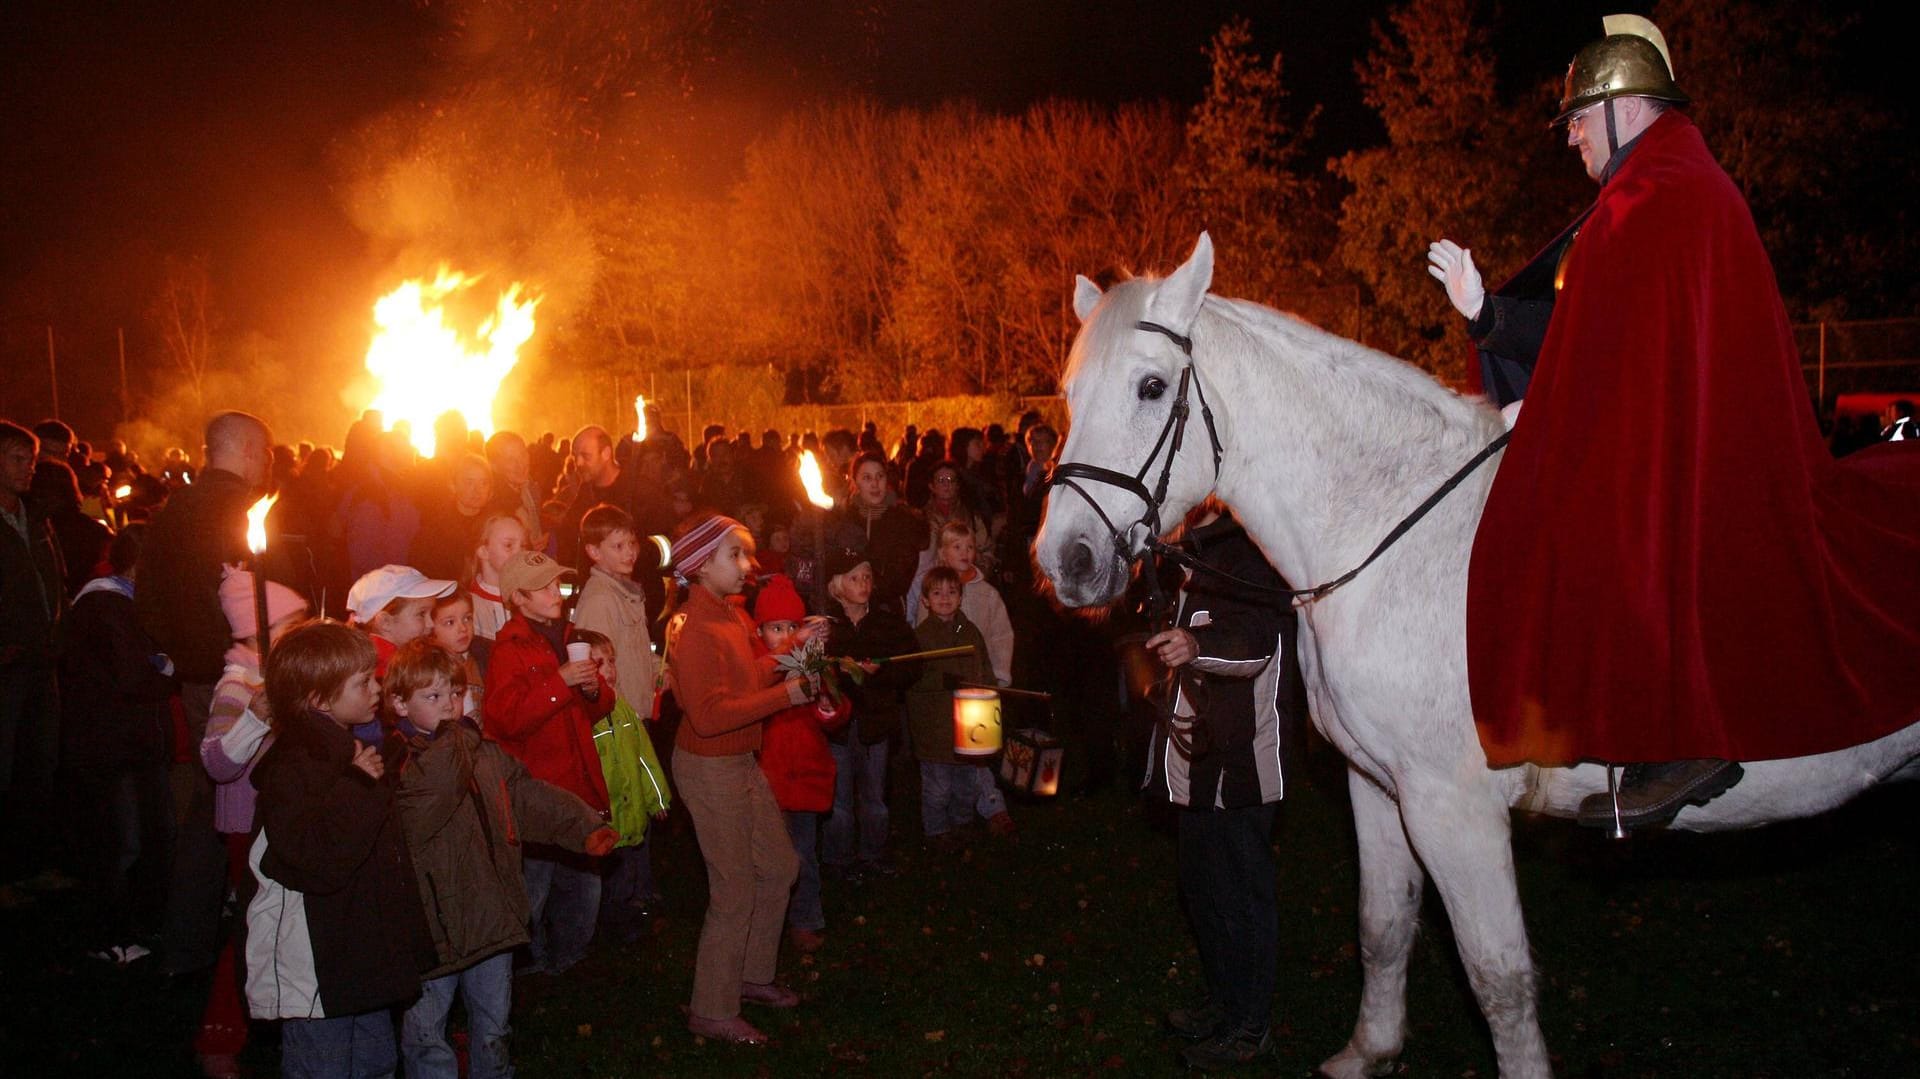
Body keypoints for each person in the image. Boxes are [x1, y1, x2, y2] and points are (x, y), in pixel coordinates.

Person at [1426, 14, 1920, 829]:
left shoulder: (1662, 199)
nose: (1572, 137)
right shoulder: (1647, 193)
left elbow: (1624, 362)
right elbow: (1591, 335)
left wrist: (1542, 410)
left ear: (1628, 107)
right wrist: (1485, 316)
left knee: (1632, 529)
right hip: (1678, 431)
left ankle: (1688, 732)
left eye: (1579, 119)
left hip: (1713, 454)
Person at [386, 640, 617, 1079]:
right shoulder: (399, 762)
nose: (449, 707)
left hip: (491, 915)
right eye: (431, 697)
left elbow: (526, 795)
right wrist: (454, 743)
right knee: (426, 1032)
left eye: (454, 694)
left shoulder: (480, 751)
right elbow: (422, 812)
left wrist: (581, 826)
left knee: (493, 1025)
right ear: (399, 702)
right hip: (434, 929)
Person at [1141, 503, 1296, 1070]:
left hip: (1242, 764)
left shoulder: (1250, 558)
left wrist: (1194, 646)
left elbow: (1257, 645)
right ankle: (1225, 1002)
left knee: (1241, 895)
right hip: (1195, 764)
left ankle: (1251, 1025)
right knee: (1201, 888)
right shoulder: (1185, 558)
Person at [243, 621, 434, 1077]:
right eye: (363, 681)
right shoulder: (294, 766)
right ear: (319, 699)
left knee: (375, 1062)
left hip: (361, 955)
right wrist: (360, 785)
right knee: (326, 1066)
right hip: (319, 966)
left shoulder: (354, 749)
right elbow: (317, 861)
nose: (377, 687)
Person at [663, 514, 808, 1045]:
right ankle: (712, 1007)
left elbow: (746, 675)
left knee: (778, 866)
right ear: (701, 566)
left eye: (748, 554)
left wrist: (793, 657)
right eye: (736, 556)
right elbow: (708, 715)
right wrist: (786, 696)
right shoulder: (696, 627)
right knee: (735, 885)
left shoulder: (729, 615)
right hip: (708, 766)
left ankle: (750, 975)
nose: (749, 567)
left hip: (739, 762)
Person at [135, 410, 269, 975]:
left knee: (210, 803)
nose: (268, 463)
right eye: (265, 452)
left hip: (195, 677)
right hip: (240, 679)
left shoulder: (171, 512)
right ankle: (245, 942)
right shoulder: (243, 514)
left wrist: (180, 658)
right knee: (241, 803)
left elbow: (146, 600)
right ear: (246, 450)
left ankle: (193, 940)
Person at [193, 566, 308, 1078]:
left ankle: (286, 1022)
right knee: (253, 931)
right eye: (291, 627)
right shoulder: (238, 686)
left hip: (280, 823)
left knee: (278, 928)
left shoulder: (283, 681)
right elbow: (218, 761)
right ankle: (221, 1035)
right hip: (247, 828)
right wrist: (258, 718)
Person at [484, 549, 615, 975]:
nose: (553, 592)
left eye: (555, 583)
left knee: (583, 884)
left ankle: (571, 962)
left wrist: (593, 690)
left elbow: (597, 707)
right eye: (541, 587)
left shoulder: (572, 636)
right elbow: (507, 719)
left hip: (578, 780)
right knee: (535, 885)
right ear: (518, 598)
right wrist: (560, 682)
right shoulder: (510, 650)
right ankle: (528, 964)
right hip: (539, 790)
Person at [59, 524, 175, 964]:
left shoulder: (123, 602)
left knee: (140, 836)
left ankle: (133, 926)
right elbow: (134, 676)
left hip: (126, 744)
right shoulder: (107, 603)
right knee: (119, 842)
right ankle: (107, 934)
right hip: (111, 747)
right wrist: (166, 670)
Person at [749, 574, 848, 953]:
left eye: (793, 627)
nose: (785, 634)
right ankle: (767, 922)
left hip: (804, 775)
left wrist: (828, 709)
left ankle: (805, 919)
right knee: (767, 858)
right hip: (767, 779)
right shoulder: (758, 666)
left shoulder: (814, 663)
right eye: (776, 628)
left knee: (803, 855)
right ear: (761, 630)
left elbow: (836, 707)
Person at [567, 628, 670, 942]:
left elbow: (645, 760)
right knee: (601, 881)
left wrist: (658, 799)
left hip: (630, 813)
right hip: (603, 819)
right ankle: (603, 928)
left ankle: (625, 922)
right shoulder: (580, 718)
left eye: (611, 661)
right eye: (598, 664)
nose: (609, 670)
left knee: (626, 873)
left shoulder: (624, 711)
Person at [820, 548, 917, 878]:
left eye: (867, 578)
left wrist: (883, 673)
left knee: (875, 797)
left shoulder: (889, 624)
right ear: (837, 585)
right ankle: (839, 858)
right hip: (839, 728)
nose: (863, 584)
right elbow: (811, 670)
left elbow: (912, 665)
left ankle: (873, 853)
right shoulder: (827, 626)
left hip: (877, 723)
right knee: (840, 801)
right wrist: (835, 671)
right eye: (854, 578)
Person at [906, 566, 1014, 844]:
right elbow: (911, 680)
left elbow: (984, 667)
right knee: (938, 787)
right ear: (926, 600)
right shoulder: (920, 638)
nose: (945, 598)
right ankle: (937, 831)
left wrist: (990, 690)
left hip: (969, 727)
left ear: (961, 597)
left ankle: (962, 823)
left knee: (967, 783)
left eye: (952, 592)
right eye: (937, 593)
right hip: (935, 728)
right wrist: (942, 680)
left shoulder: (970, 632)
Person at [571, 504, 656, 712]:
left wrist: (661, 670)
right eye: (618, 546)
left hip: (636, 711)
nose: (630, 552)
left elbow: (636, 651)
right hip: (620, 717)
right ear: (594, 551)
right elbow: (598, 671)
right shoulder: (600, 600)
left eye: (632, 543)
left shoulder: (627, 594)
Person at [908, 521, 1014, 688]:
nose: (964, 553)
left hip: (977, 674)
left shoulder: (988, 593)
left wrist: (1000, 673)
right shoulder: (931, 591)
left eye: (970, 547)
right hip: (943, 681)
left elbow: (1000, 635)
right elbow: (923, 631)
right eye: (957, 547)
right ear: (943, 553)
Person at [824, 451, 926, 614]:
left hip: (887, 611)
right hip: (847, 609)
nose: (875, 484)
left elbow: (901, 574)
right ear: (855, 481)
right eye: (867, 478)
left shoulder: (903, 521)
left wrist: (869, 591)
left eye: (880, 476)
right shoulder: (844, 519)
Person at [345, 563, 456, 677]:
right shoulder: (392, 672)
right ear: (385, 622)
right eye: (421, 614)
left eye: (431, 614)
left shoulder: (398, 663)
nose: (431, 624)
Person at [408, 453, 494, 583]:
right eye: (469, 482)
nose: (477, 490)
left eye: (484, 483)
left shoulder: (496, 524)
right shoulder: (434, 530)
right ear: (453, 485)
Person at [427, 590, 488, 722]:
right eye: (450, 622)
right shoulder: (428, 670)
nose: (463, 628)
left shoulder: (485, 656)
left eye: (467, 618)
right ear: (430, 627)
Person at [467, 513, 527, 641]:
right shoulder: (469, 607)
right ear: (484, 551)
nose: (520, 553)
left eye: (522, 546)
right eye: (508, 545)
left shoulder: (528, 599)